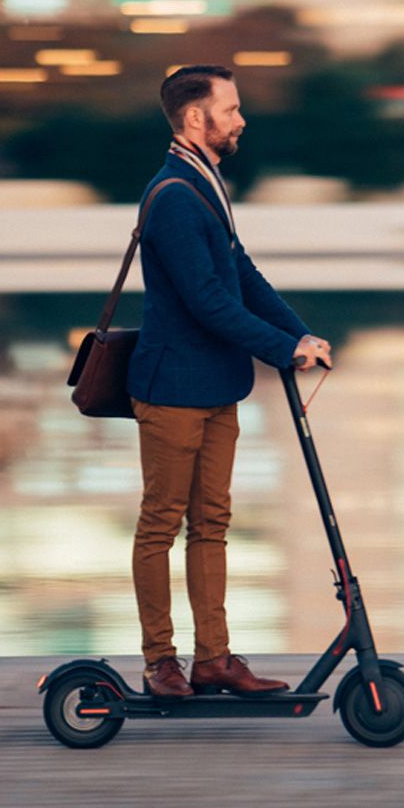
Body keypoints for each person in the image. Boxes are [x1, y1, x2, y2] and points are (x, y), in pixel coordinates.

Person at [127, 64, 334, 699]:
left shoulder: (205, 182)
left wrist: (301, 335)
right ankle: (161, 660)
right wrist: (280, 349)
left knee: (211, 522)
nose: (241, 119)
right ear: (197, 118)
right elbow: (209, 302)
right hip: (171, 391)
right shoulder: (174, 196)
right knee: (161, 523)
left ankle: (213, 659)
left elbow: (243, 275)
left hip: (217, 384)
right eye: (232, 108)